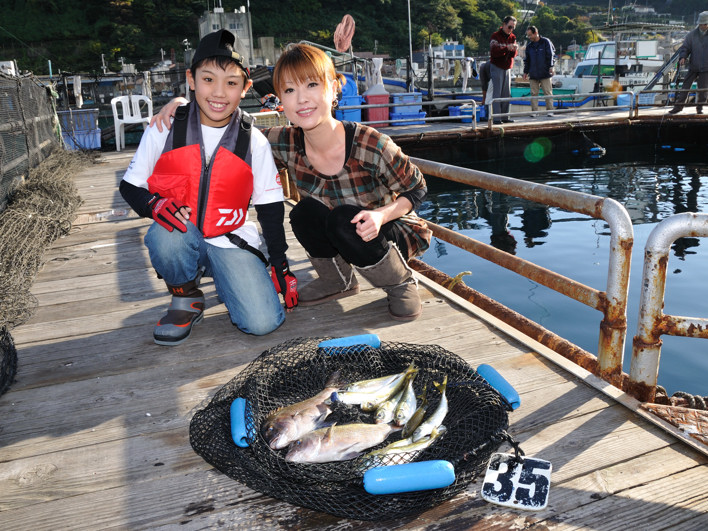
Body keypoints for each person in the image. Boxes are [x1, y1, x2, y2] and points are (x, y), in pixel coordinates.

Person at [155, 44, 431, 321]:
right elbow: (230, 130)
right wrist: (185, 107)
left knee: (344, 219)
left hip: (391, 231)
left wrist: (381, 216)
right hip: (342, 229)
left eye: (312, 84)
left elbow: (416, 188)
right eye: (289, 90)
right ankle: (338, 281)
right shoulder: (283, 142)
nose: (301, 100)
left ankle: (400, 285)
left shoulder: (370, 142)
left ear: (334, 88)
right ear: (280, 100)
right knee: (303, 213)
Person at [119, 29, 297, 346]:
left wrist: (281, 263)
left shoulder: (252, 140)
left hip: (230, 238)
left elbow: (270, 208)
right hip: (183, 234)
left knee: (263, 322)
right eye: (208, 79)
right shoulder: (166, 127)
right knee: (165, 236)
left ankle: (232, 277)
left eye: (231, 82)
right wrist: (154, 206)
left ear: (245, 88)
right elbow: (131, 187)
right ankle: (186, 297)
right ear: (191, 79)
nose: (218, 92)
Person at [668, 11, 708, 115]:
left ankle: (700, 108)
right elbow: (685, 48)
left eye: (706, 24)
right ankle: (678, 107)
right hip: (693, 66)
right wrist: (683, 57)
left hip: (706, 67)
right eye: (703, 24)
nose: (704, 26)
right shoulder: (691, 35)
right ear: (699, 24)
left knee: (703, 89)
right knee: (685, 87)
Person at [489, 16, 519, 124]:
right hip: (497, 66)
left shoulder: (513, 37)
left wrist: (514, 49)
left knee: (507, 93)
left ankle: (505, 117)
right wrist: (507, 48)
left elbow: (513, 55)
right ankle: (497, 118)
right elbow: (494, 52)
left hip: (507, 68)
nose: (511, 29)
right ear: (504, 24)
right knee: (497, 93)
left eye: (513, 27)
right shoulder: (495, 36)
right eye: (510, 26)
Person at [523, 26, 555, 116]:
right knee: (534, 93)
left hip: (545, 73)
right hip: (533, 73)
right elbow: (527, 60)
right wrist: (525, 72)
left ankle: (550, 111)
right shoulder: (529, 46)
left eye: (530, 35)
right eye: (528, 36)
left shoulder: (546, 42)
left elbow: (551, 55)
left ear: (535, 33)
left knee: (548, 93)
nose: (529, 37)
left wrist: (551, 66)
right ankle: (534, 112)